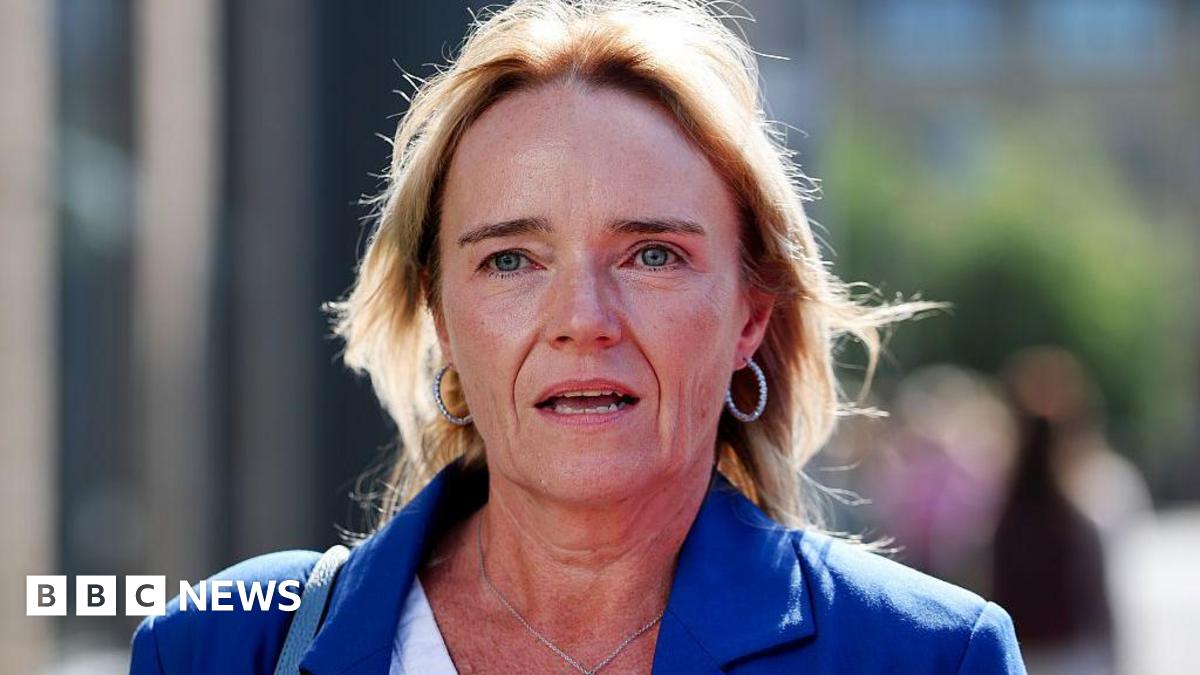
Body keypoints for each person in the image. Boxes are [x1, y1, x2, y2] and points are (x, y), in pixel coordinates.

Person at [130, 1, 1027, 673]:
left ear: (751, 314)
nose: (582, 320)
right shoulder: (223, 642)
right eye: (512, 260)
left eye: (650, 254)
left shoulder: (927, 655)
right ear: (441, 316)